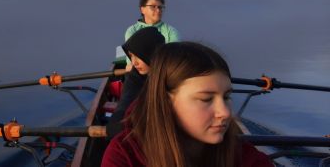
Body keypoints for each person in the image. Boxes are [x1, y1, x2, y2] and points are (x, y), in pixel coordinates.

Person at [102, 42, 273, 167]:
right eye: (206, 99)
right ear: (166, 102)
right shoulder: (124, 156)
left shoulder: (244, 157)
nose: (225, 113)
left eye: (227, 96)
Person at [106, 27, 165, 138]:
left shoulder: (171, 76)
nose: (134, 63)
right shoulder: (134, 77)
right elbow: (126, 101)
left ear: (151, 54)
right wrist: (117, 120)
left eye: (138, 56)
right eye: (131, 56)